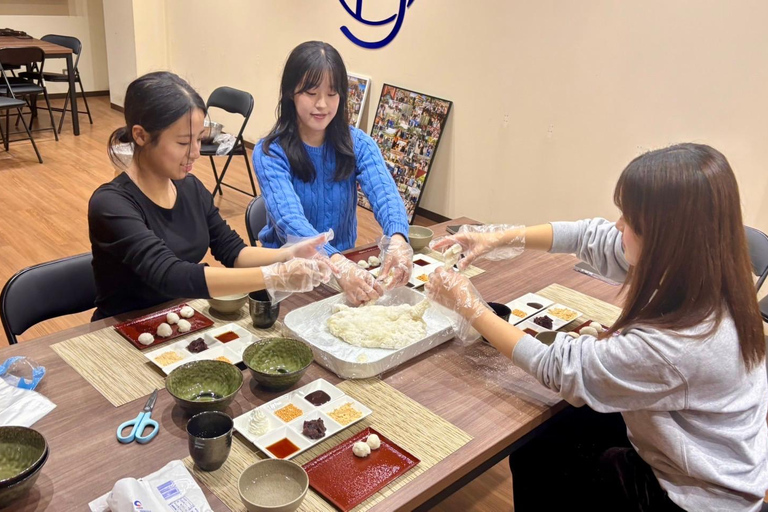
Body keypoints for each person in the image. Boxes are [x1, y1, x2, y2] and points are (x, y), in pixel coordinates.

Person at [426, 144, 768, 511]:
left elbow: (561, 367)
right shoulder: (703, 268)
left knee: (539, 459)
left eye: (629, 220)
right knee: (547, 437)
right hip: (695, 449)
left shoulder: (682, 343)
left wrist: (470, 307)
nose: (618, 225)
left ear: (665, 237)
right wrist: (497, 237)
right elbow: (591, 235)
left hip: (695, 498)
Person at [89, 72, 334, 320]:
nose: (196, 152)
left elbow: (233, 251)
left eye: (199, 139)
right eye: (183, 143)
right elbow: (170, 275)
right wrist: (274, 276)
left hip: (179, 318)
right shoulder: (111, 204)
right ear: (141, 135)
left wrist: (287, 254)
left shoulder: (190, 188)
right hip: (120, 328)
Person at [253, 41, 412, 306]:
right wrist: (337, 263)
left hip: (343, 266)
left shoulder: (357, 143)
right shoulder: (271, 152)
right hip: (291, 275)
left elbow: (386, 194)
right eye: (311, 93)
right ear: (291, 93)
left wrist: (397, 239)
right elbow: (290, 220)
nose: (322, 104)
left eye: (332, 93)